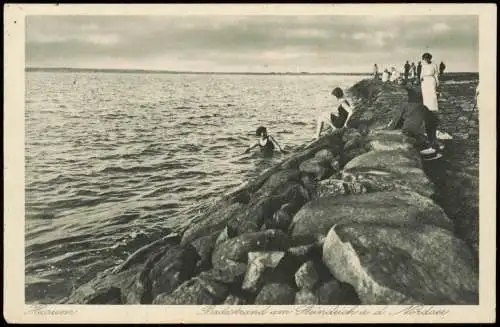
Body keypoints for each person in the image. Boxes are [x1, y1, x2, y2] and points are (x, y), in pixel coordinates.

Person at [386, 79, 442, 160]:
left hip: (408, 131)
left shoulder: (405, 106)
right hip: (420, 132)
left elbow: (396, 119)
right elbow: (434, 121)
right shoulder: (424, 108)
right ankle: (431, 145)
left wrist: (390, 128)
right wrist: (432, 139)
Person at [420, 52, 444, 151]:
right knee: (426, 97)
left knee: (433, 96)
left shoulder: (434, 65)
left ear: (429, 58)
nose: (425, 60)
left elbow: (436, 74)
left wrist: (437, 83)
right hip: (425, 82)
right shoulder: (423, 66)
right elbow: (421, 74)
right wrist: (420, 80)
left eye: (426, 58)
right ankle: (427, 106)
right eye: (424, 59)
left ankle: (433, 106)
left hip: (431, 81)